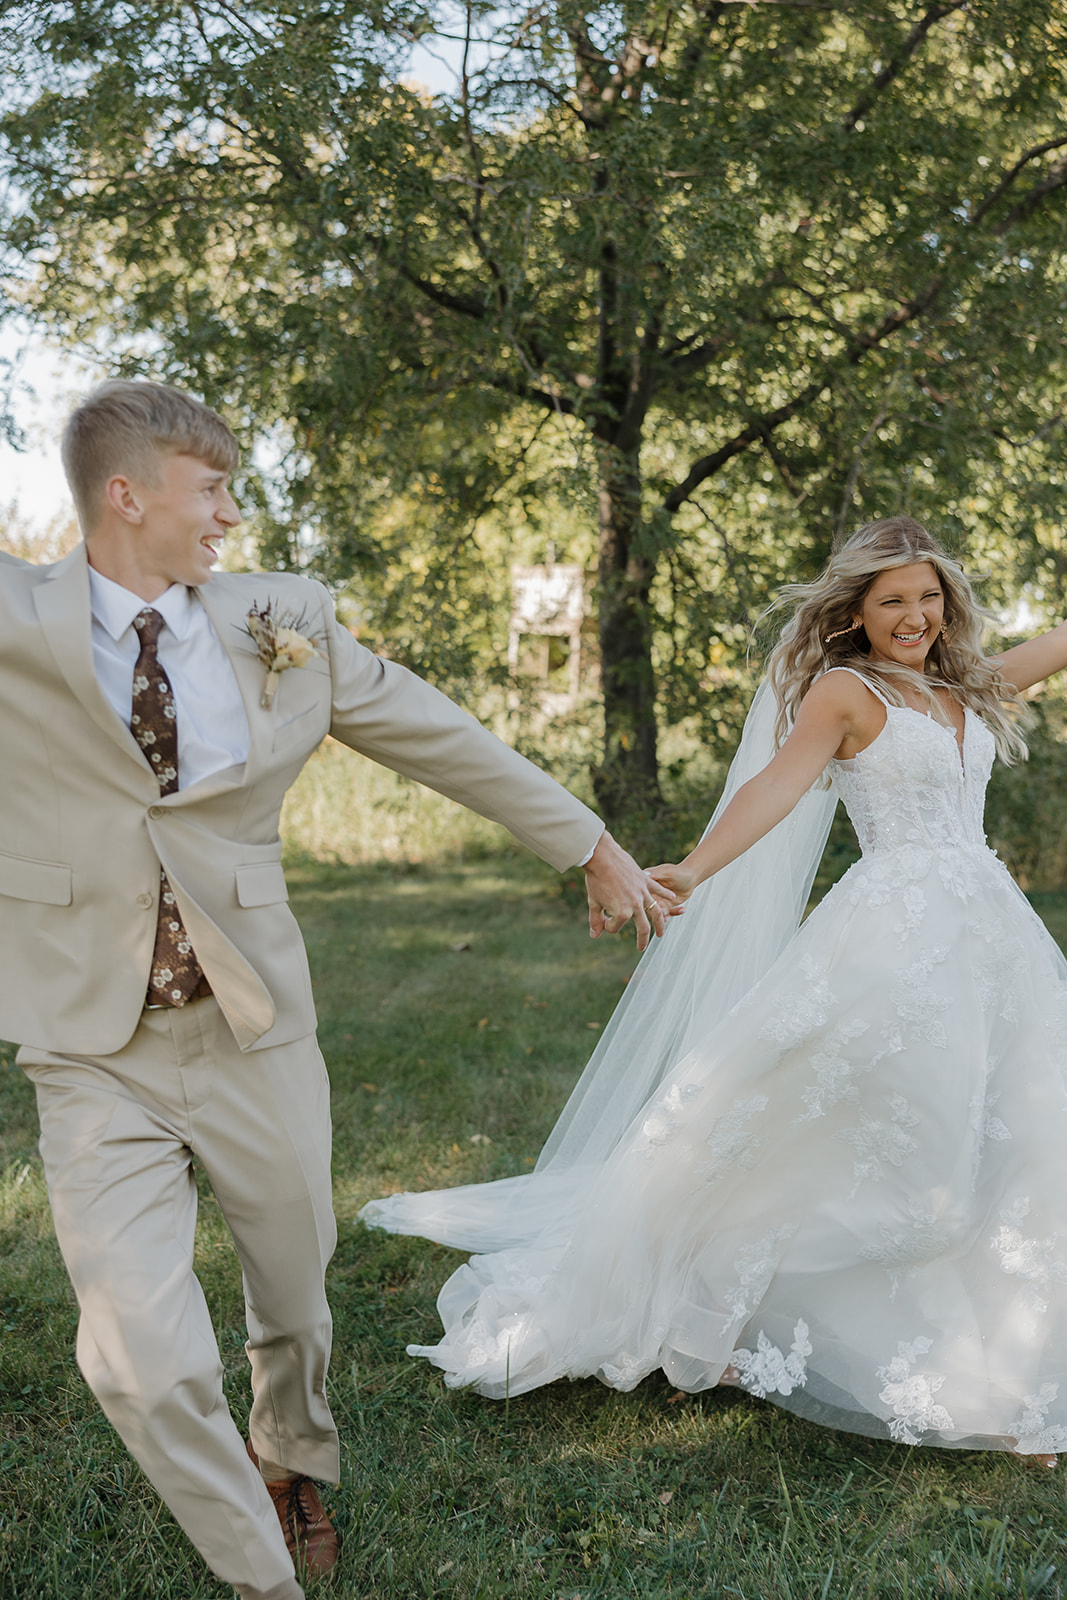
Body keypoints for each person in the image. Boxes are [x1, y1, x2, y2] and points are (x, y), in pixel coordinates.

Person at [0, 379, 675, 1600]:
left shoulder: (279, 616)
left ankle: (290, 1448)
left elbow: (432, 730)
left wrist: (589, 844)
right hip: (87, 1041)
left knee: (295, 1293)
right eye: (209, 489)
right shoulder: (13, 613)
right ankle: (266, 1576)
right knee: (136, 1362)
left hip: (254, 1020)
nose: (228, 515)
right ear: (126, 492)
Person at [363, 515, 1067, 1463]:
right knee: (886, 1131)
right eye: (892, 600)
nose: (914, 615)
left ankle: (1000, 1335)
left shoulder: (962, 688)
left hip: (987, 929)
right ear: (854, 612)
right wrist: (693, 870)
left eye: (927, 597)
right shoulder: (843, 692)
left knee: (1019, 1122)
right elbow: (775, 789)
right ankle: (727, 1304)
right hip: (893, 932)